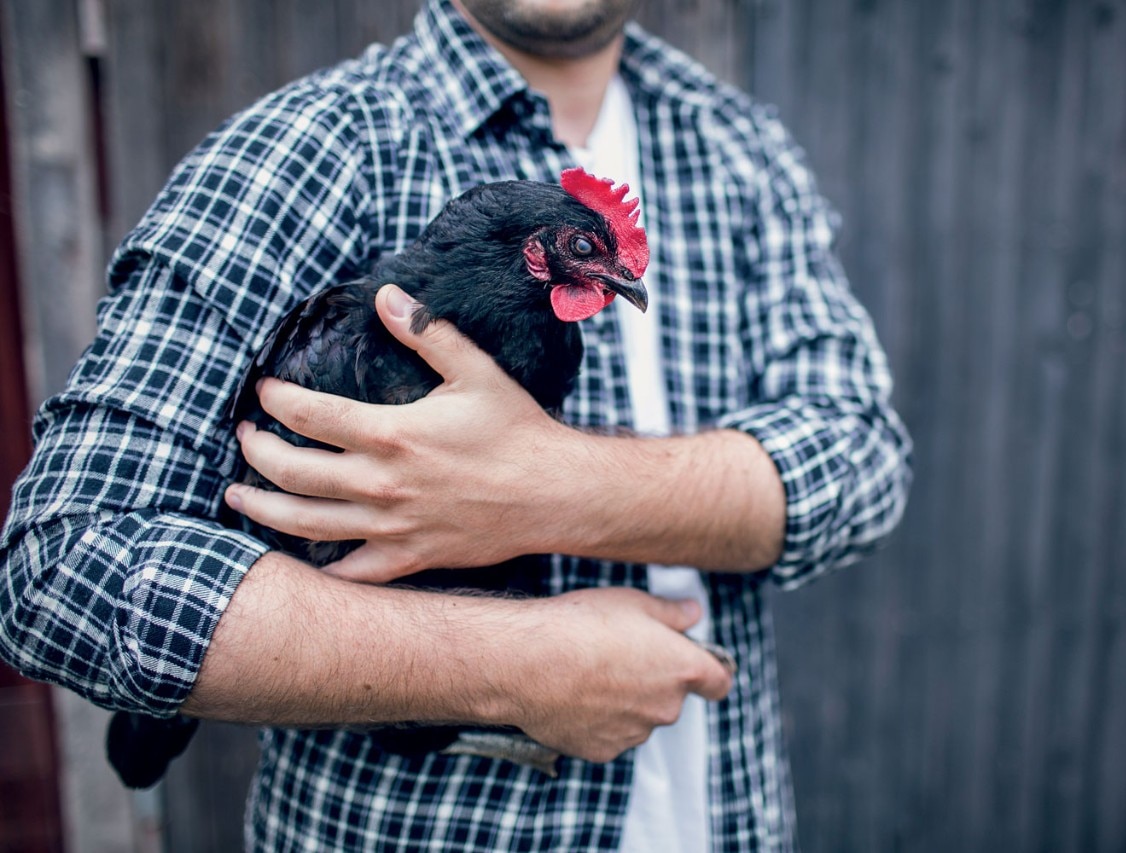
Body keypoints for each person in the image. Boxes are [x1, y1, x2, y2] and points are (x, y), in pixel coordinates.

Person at [0, 0, 912, 849]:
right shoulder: (307, 144)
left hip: (723, 817)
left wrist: (554, 488)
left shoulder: (742, 146)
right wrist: (510, 662)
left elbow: (866, 456)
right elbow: (63, 569)